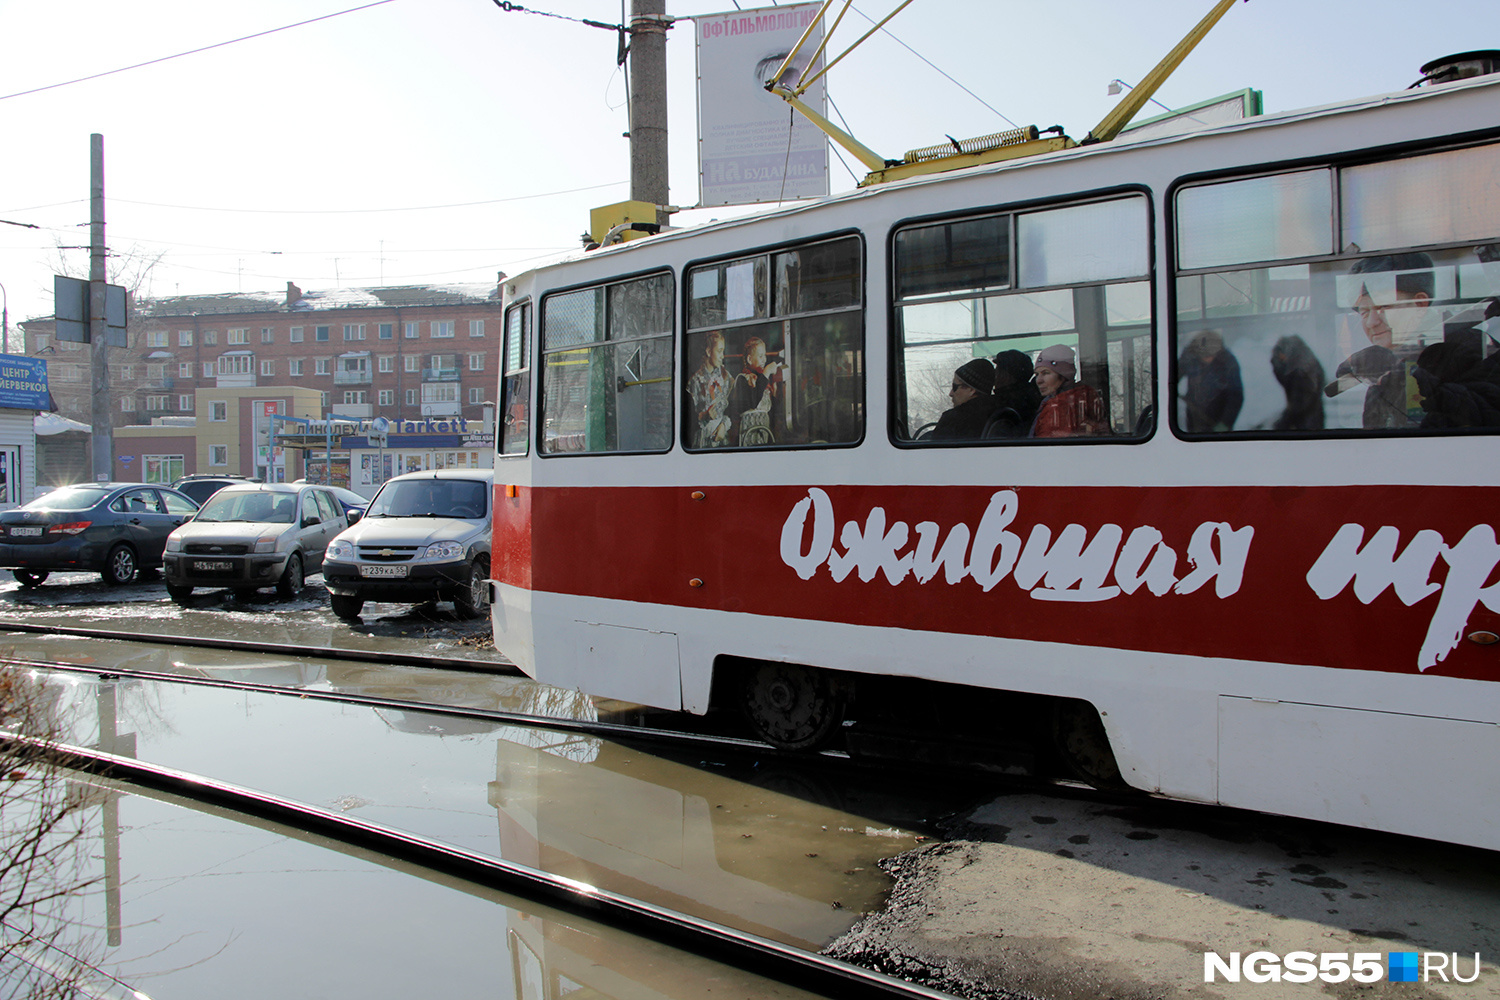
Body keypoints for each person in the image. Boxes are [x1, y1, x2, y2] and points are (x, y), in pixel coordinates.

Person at [1326, 253, 1442, 429]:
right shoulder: (1378, 371)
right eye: (1364, 312)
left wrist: (1398, 370)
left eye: (1384, 307)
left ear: (1419, 305)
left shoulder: (1460, 353)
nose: (1372, 322)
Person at [1030, 344, 1108, 438]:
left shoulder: (1061, 407)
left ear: (1064, 376)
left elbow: (1048, 447)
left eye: (1046, 373)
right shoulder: (1080, 398)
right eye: (1036, 374)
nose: (1039, 380)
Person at [1178, 329, 1243, 433]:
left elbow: (1236, 396)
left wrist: (1225, 423)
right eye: (1204, 356)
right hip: (1194, 410)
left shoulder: (1229, 362)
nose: (1207, 359)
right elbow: (1175, 374)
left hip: (1219, 411)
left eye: (1210, 355)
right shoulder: (1189, 356)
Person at [727, 336, 785, 445]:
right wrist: (766, 372)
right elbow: (753, 402)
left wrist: (776, 392)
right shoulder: (742, 379)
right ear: (749, 359)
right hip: (749, 434)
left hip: (765, 432)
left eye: (765, 355)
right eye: (760, 356)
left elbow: (773, 410)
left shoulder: (763, 382)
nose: (764, 359)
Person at [931, 358, 997, 440]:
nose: (951, 393)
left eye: (954, 387)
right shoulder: (999, 412)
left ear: (971, 390)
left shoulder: (953, 420)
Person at [687, 331, 732, 447]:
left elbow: (733, 409)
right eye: (719, 351)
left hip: (722, 439)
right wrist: (704, 415)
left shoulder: (726, 378)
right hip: (703, 441)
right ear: (708, 352)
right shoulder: (695, 381)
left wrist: (724, 425)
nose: (722, 356)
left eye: (723, 351)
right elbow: (689, 418)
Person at [984, 349, 1041, 438]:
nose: (995, 375)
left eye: (998, 370)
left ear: (1006, 376)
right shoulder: (1032, 397)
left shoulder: (1003, 402)